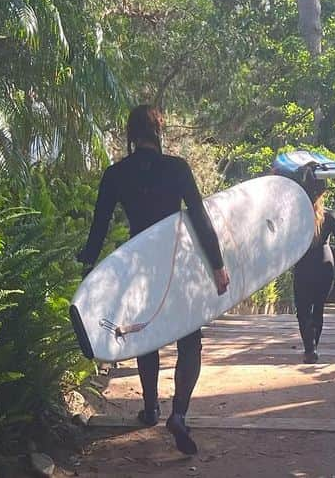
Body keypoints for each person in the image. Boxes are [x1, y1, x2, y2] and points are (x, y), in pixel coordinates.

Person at [77, 104, 230, 456]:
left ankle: (150, 408)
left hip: (141, 265)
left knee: (148, 338)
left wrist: (88, 271)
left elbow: (97, 230)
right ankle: (178, 412)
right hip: (178, 265)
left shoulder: (116, 174)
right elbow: (201, 220)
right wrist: (218, 264)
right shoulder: (176, 168)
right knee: (190, 340)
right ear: (159, 132)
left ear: (131, 135)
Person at [291, 163, 335, 364]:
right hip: (325, 266)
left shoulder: (295, 215)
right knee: (318, 308)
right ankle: (313, 348)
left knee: (302, 311)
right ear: (324, 190)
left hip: (303, 266)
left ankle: (310, 349)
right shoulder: (330, 215)